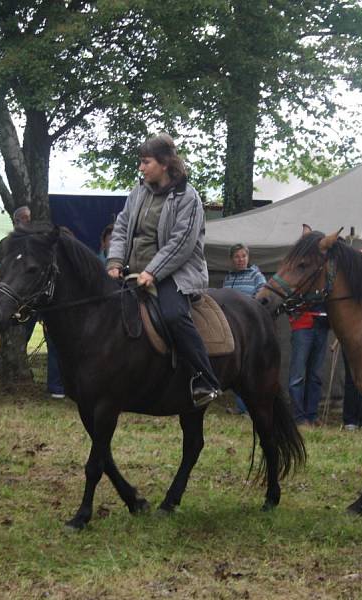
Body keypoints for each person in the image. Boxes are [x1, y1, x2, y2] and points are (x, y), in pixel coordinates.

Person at [106, 133, 220, 407]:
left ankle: (206, 379)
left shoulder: (188, 198)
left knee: (173, 315)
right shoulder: (138, 192)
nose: (141, 168)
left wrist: (153, 273)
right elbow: (121, 228)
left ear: (165, 163)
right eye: (141, 162)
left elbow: (181, 243)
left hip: (175, 274)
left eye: (146, 162)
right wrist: (114, 262)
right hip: (134, 270)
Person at [222, 243, 266, 415]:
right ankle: (241, 408)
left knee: (250, 369)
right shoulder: (228, 278)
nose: (240, 260)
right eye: (237, 257)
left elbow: (263, 296)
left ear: (248, 258)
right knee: (236, 368)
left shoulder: (256, 275)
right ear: (232, 259)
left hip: (250, 329)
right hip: (231, 330)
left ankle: (251, 408)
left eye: (243, 256)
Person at [287, 301, 330, 427]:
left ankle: (312, 415)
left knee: (316, 375)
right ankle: (298, 417)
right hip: (302, 325)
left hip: (322, 324)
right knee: (297, 376)